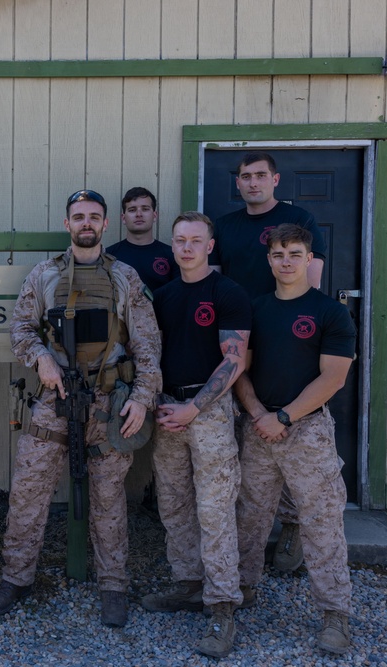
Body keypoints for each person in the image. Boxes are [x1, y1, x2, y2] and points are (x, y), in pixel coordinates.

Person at [0, 189, 162, 628]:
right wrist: (41, 358)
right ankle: (15, 577)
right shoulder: (44, 275)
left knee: (108, 498)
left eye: (94, 217)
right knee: (28, 490)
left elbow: (148, 344)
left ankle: (113, 585)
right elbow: (21, 327)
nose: (86, 223)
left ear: (105, 225)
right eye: (78, 216)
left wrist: (142, 397)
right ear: (68, 223)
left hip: (109, 404)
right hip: (54, 398)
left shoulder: (125, 278)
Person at [234, 223, 356, 654]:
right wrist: (260, 415)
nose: (286, 261)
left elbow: (334, 377)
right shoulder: (255, 308)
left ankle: (334, 615)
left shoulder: (330, 313)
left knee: (322, 522)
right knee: (248, 516)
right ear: (269, 260)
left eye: (295, 253)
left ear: (309, 259)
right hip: (259, 425)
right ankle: (241, 590)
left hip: (307, 430)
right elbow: (239, 369)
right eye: (279, 254)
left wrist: (285, 415)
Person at [210, 151, 329, 572]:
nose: (253, 183)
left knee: (289, 428)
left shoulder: (301, 221)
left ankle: (293, 525)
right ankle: (248, 543)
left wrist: (304, 333)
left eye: (261, 175)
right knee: (250, 435)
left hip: (288, 337)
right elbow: (216, 281)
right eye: (246, 176)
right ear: (238, 183)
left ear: (275, 180)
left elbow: (311, 284)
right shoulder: (225, 226)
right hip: (240, 336)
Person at [142, 212, 251, 659]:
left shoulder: (227, 293)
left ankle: (223, 606)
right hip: (167, 409)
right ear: (172, 246)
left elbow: (234, 361)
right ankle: (188, 585)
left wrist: (193, 408)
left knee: (216, 510)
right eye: (179, 241)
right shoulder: (163, 296)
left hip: (207, 413)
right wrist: (163, 405)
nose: (186, 248)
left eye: (195, 241)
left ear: (210, 246)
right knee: (175, 504)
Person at [106, 186, 178, 292]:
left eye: (145, 209)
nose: (139, 214)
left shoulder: (172, 255)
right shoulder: (109, 256)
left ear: (154, 216)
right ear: (123, 218)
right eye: (132, 210)